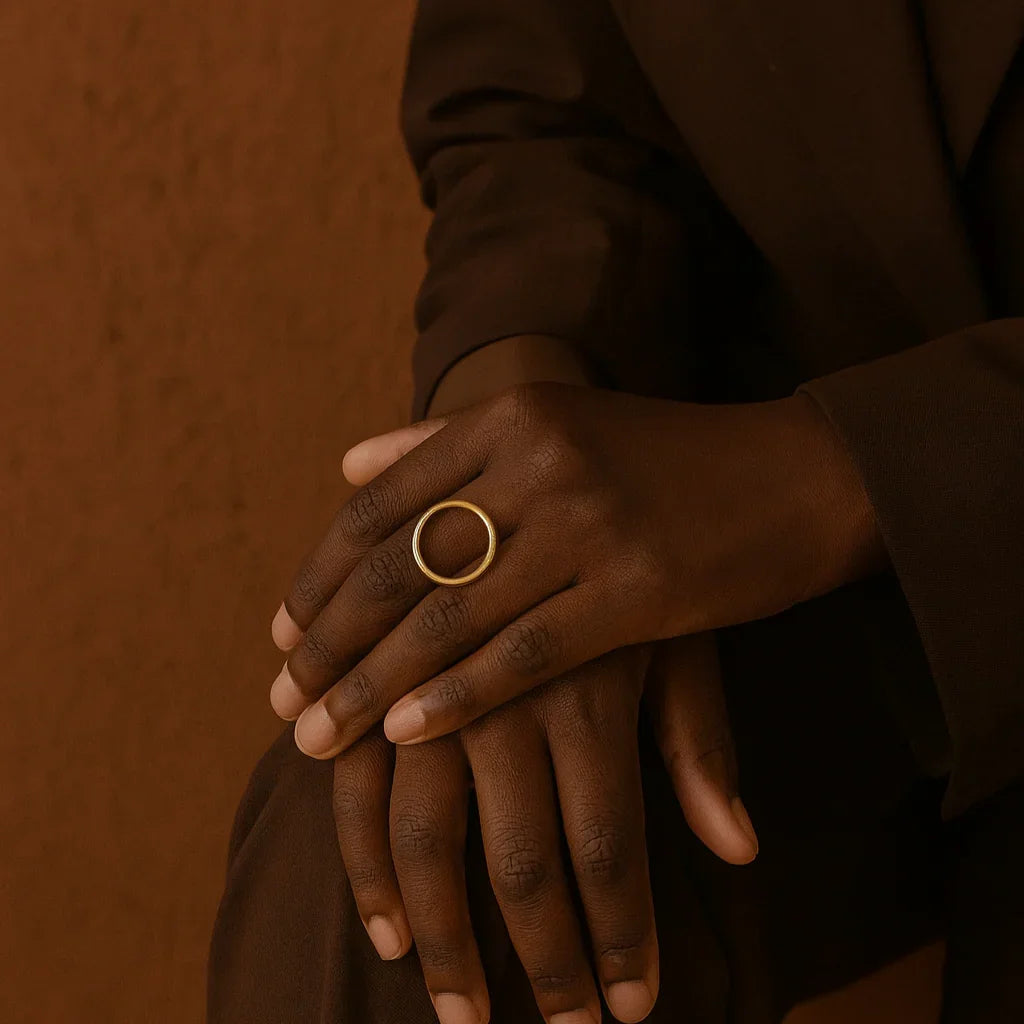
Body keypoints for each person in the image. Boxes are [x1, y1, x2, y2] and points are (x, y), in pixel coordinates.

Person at [207, 1, 1024, 1021]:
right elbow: (543, 97)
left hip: (856, 483)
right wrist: (519, 493)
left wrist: (837, 476)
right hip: (816, 563)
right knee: (423, 836)